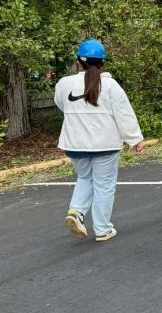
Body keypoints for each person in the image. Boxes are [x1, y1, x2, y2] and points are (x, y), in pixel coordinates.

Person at [55, 40, 145, 242]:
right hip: (105, 144)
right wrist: (135, 139)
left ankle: (76, 212)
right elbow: (124, 114)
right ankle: (103, 229)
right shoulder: (111, 85)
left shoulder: (64, 84)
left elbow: (62, 105)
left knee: (85, 177)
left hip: (74, 144)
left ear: (78, 61)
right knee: (104, 185)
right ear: (102, 63)